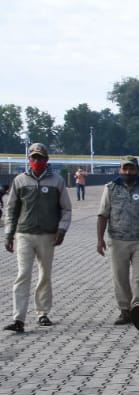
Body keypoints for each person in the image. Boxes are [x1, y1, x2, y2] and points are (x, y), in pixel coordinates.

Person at [4, 143, 72, 334]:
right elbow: (11, 209)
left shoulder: (56, 181)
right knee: (23, 274)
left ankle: (42, 312)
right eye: (33, 158)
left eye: (40, 158)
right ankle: (19, 318)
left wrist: (62, 229)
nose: (36, 161)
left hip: (48, 235)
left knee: (45, 275)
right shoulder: (19, 180)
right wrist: (8, 234)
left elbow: (66, 208)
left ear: (46, 160)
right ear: (29, 160)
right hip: (24, 233)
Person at [95, 156, 139, 325]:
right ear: (120, 170)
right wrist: (99, 239)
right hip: (117, 240)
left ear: (137, 170)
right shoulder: (110, 188)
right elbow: (103, 214)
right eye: (125, 169)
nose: (128, 172)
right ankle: (125, 311)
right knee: (120, 277)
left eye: (131, 169)